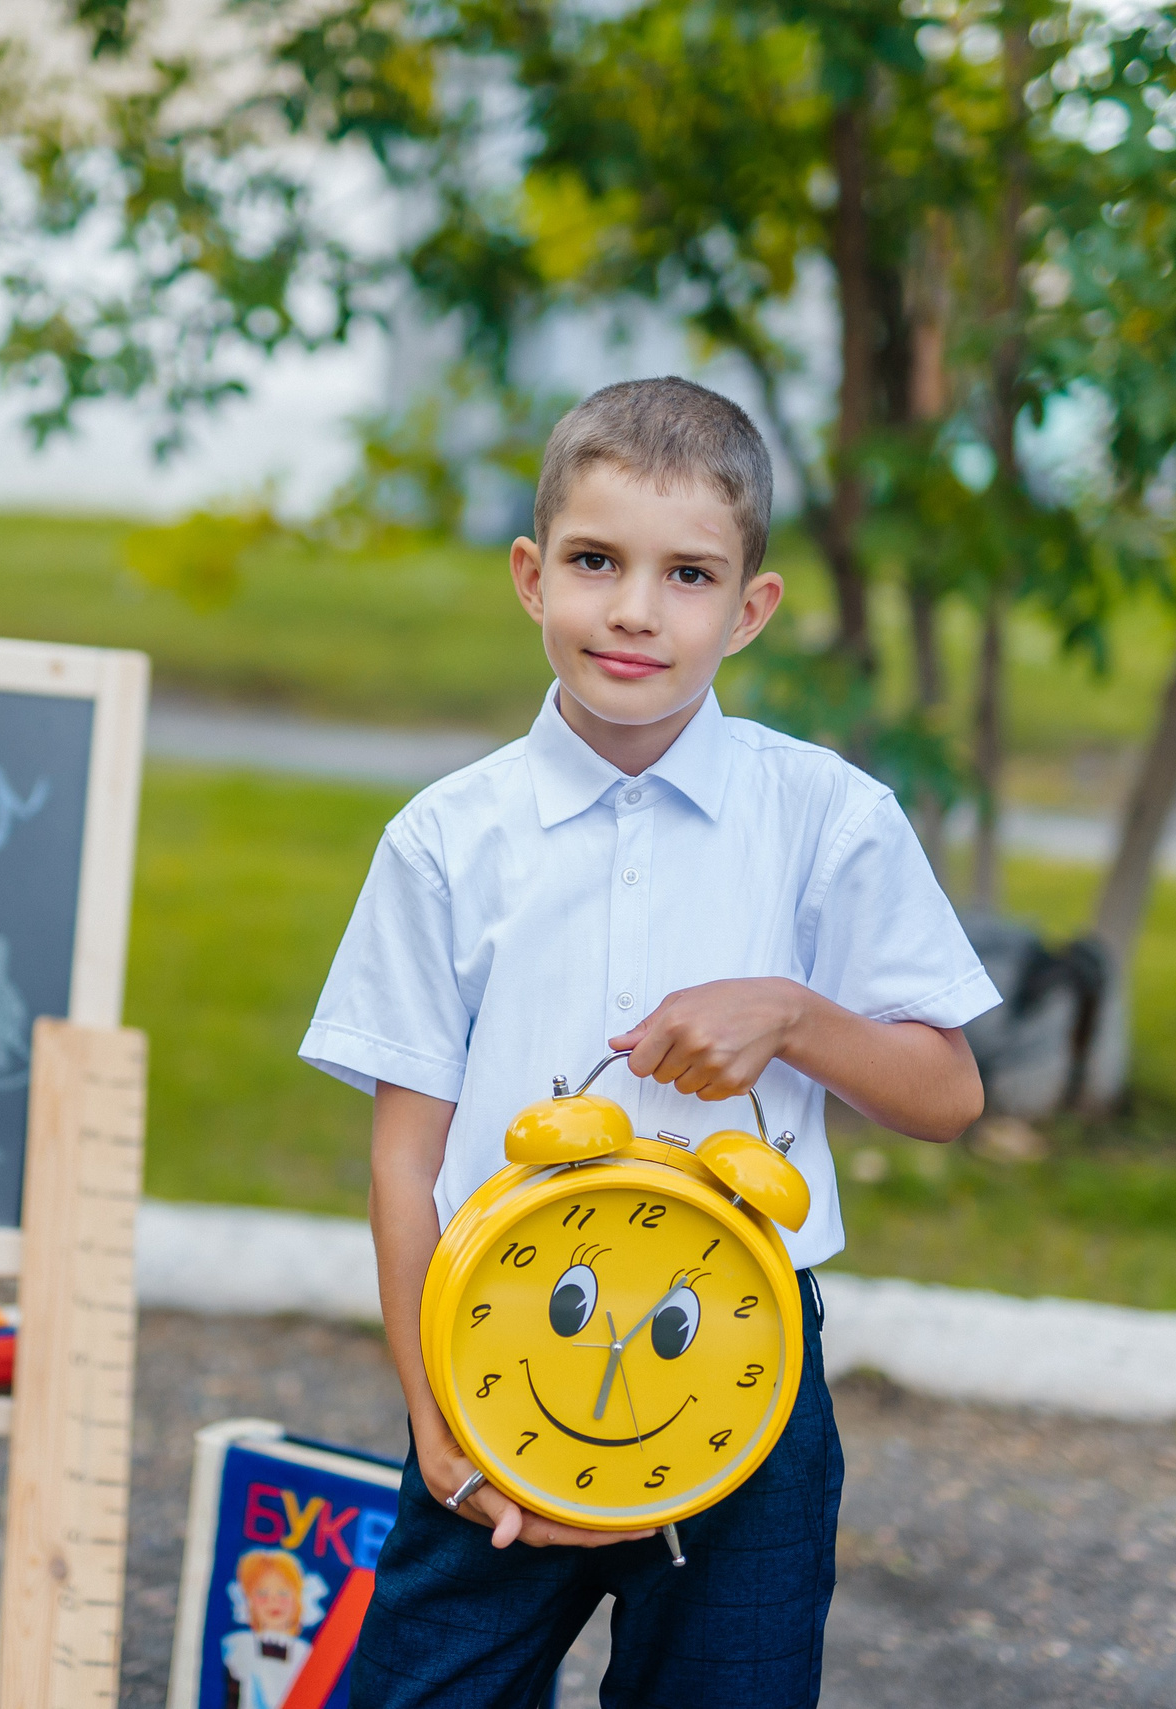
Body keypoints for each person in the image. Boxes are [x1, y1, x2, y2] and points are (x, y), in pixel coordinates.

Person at [299, 376, 998, 1707]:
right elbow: (406, 1159)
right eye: (596, 561)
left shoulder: (826, 819)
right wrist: (434, 1418)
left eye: (687, 575)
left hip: (744, 1358)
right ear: (531, 573)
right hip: (497, 1338)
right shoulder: (447, 840)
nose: (633, 608)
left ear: (750, 609)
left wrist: (793, 1015)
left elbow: (949, 1091)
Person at [221, 1547, 319, 1709]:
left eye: (283, 1593)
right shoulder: (238, 1646)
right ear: (248, 1600)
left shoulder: (306, 1653)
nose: (273, 1601)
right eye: (263, 1593)